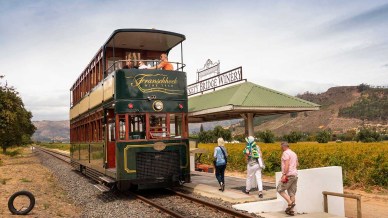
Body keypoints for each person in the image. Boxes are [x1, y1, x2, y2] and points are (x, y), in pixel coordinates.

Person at [277, 141, 299, 216]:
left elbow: (287, 164)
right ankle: (291, 211)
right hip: (295, 175)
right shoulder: (294, 153)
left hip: (288, 175)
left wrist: (284, 174)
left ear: (283, 146)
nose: (281, 148)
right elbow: (297, 164)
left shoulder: (285, 153)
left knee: (279, 189)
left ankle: (290, 203)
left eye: (281, 147)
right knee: (292, 193)